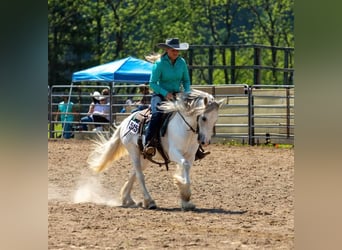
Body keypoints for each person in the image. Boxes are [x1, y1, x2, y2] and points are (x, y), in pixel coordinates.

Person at [143, 38, 209, 160]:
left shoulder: (181, 62)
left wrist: (187, 93)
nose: (176, 52)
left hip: (178, 95)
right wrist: (165, 93)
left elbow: (186, 80)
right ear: (167, 50)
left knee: (192, 115)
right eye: (174, 50)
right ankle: (149, 144)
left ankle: (195, 148)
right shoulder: (159, 63)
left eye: (177, 50)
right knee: (157, 114)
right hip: (160, 95)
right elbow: (152, 83)